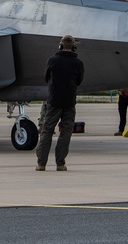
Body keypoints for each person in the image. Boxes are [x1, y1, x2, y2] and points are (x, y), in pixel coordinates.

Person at [35, 34, 84, 172]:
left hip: (53, 101)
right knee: (66, 132)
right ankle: (60, 163)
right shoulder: (78, 63)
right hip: (69, 102)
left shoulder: (52, 60)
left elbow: (46, 77)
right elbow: (79, 81)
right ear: (73, 47)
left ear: (60, 46)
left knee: (47, 131)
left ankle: (41, 164)